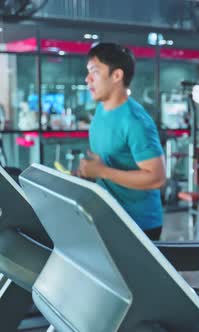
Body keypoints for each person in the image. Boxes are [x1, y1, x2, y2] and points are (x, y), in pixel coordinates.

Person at [78, 42, 166, 241]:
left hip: (138, 226)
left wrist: (101, 172)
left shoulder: (135, 121)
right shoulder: (101, 110)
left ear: (116, 76)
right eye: (88, 72)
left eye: (95, 72)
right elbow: (107, 164)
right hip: (108, 218)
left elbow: (157, 178)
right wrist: (90, 173)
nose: (87, 79)